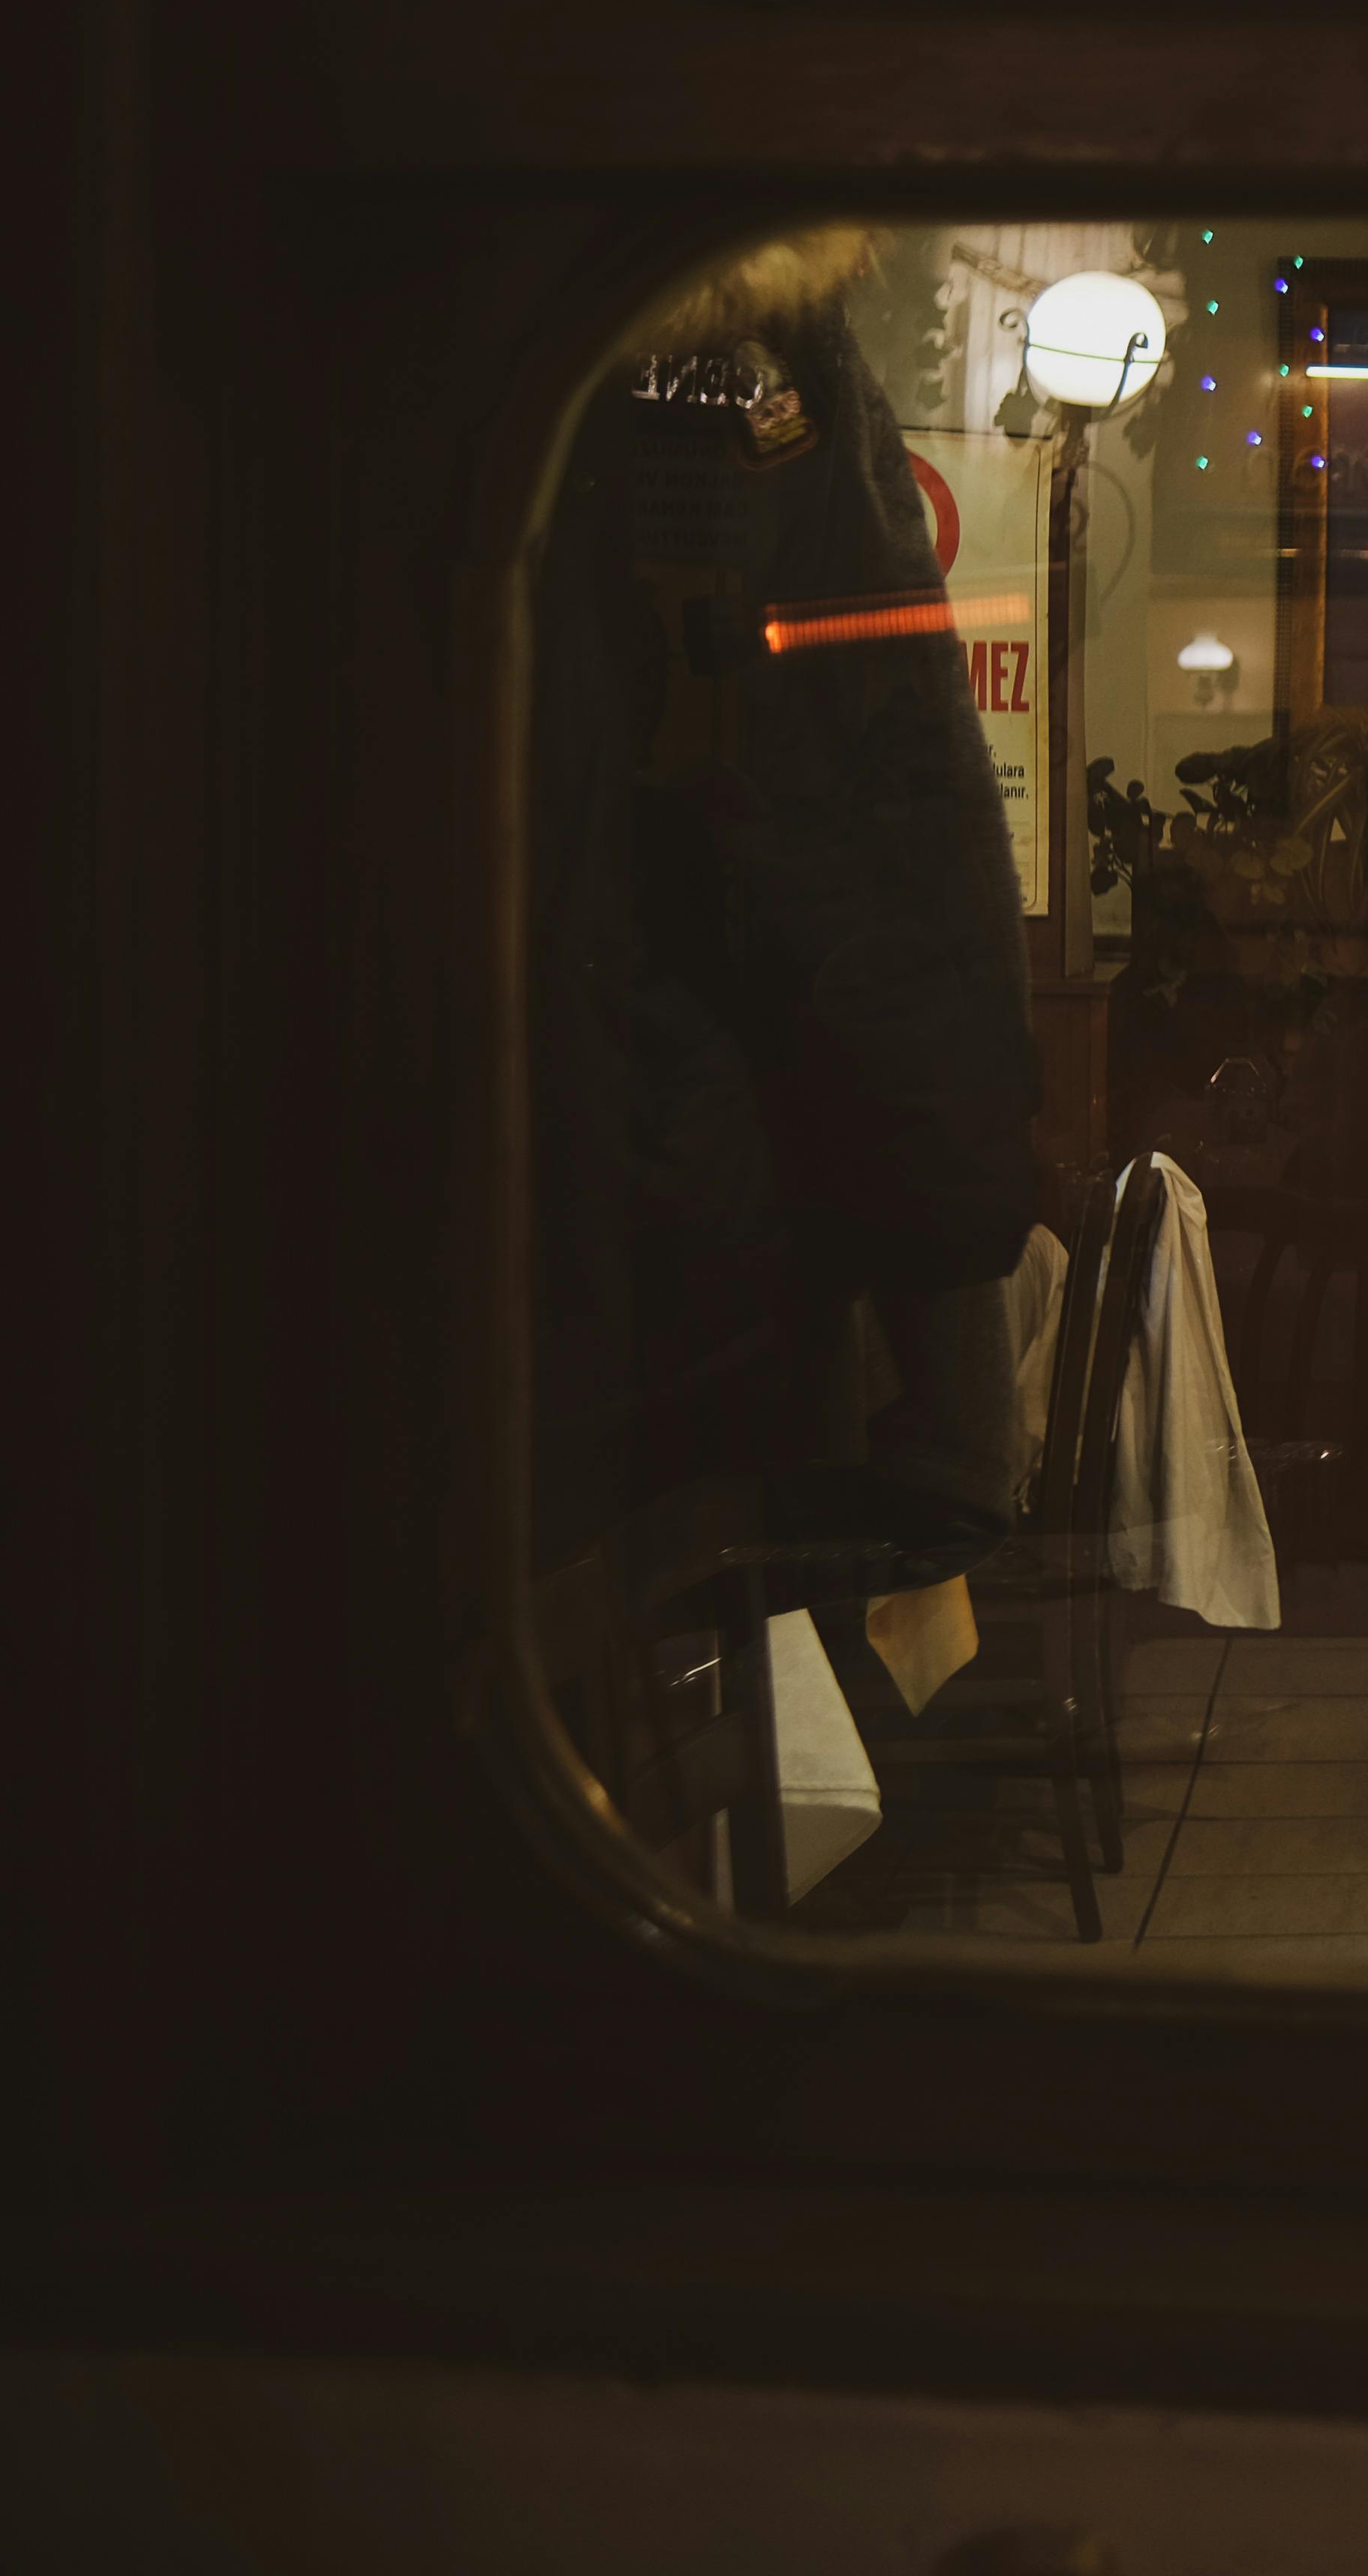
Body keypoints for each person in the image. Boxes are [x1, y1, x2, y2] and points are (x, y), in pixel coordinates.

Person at [532, 230, 1042, 1762]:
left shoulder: (693, 355)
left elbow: (883, 806)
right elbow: (889, 810)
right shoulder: (752, 356)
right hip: (697, 1145)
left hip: (607, 1134)